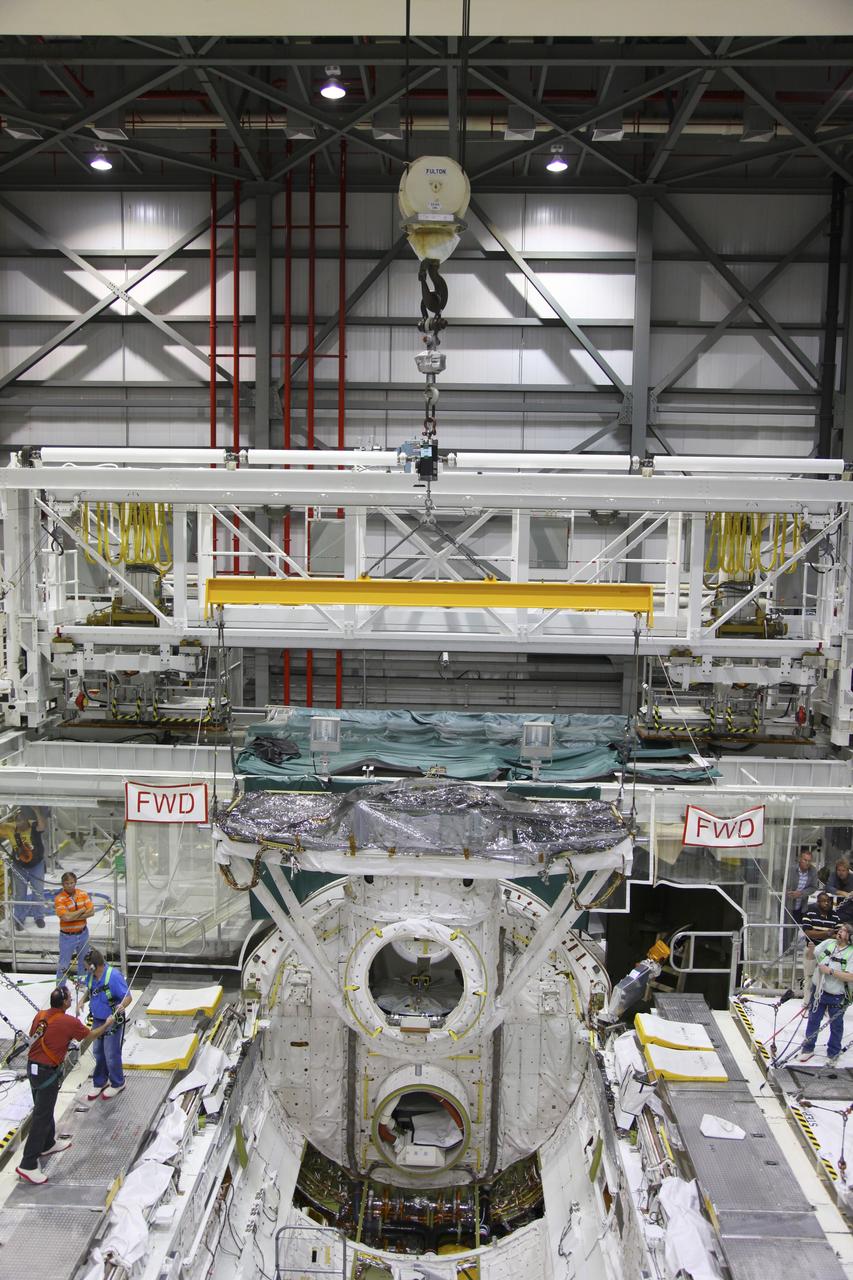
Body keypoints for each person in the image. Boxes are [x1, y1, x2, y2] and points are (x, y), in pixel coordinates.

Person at [15, 984, 115, 1185]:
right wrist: (107, 1024)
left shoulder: (41, 1015)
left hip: (33, 1069)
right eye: (70, 998)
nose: (72, 1000)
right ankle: (27, 1163)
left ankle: (47, 1143)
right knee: (41, 1116)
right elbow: (90, 1036)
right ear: (64, 1003)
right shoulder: (68, 1021)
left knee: (44, 1108)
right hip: (46, 1073)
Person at [79, 948, 131, 1100]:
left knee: (111, 1053)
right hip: (97, 1018)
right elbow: (91, 990)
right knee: (98, 1051)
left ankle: (117, 1082)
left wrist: (121, 1006)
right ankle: (100, 1081)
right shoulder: (92, 976)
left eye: (87, 966)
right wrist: (82, 1000)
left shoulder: (113, 976)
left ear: (94, 966)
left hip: (111, 1020)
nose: (85, 969)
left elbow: (127, 997)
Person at [800, 923, 853, 1065]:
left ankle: (833, 1052)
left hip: (837, 995)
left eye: (844, 931)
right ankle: (808, 1049)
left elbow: (851, 976)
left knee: (836, 1025)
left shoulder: (851, 952)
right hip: (818, 992)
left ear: (849, 937)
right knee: (813, 1020)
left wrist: (830, 971)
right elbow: (812, 957)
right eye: (840, 930)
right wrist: (810, 950)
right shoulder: (829, 943)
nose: (840, 932)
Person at [0, 806, 47, 931]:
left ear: (28, 820)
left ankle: (39, 917)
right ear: (15, 821)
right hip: (19, 866)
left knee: (38, 892)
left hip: (36, 865)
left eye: (24, 820)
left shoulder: (34, 826)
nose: (22, 823)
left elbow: (42, 826)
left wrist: (37, 810)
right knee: (20, 894)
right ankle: (19, 919)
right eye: (19, 821)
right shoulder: (9, 828)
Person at [54, 871, 94, 982]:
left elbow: (91, 912)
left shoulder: (83, 894)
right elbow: (66, 918)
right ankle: (60, 989)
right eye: (67, 883)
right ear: (63, 884)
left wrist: (72, 916)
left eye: (72, 883)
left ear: (75, 882)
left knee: (84, 961)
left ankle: (82, 984)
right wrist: (82, 910)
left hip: (83, 933)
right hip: (67, 937)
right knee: (64, 964)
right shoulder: (59, 899)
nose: (70, 885)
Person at [800, 892, 840, 991]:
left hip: (828, 952)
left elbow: (839, 935)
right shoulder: (809, 913)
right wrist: (827, 934)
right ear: (818, 903)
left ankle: (819, 1003)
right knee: (809, 977)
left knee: (824, 978)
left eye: (828, 901)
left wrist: (822, 934)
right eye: (823, 901)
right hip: (812, 949)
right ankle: (807, 1004)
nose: (826, 903)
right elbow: (808, 932)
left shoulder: (835, 916)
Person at [785, 848, 818, 925]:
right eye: (805, 860)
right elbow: (782, 882)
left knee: (799, 928)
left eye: (809, 861)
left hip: (802, 906)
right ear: (800, 859)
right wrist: (788, 892)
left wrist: (801, 893)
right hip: (787, 904)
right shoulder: (791, 869)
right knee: (786, 930)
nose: (807, 863)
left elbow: (813, 887)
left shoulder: (813, 871)